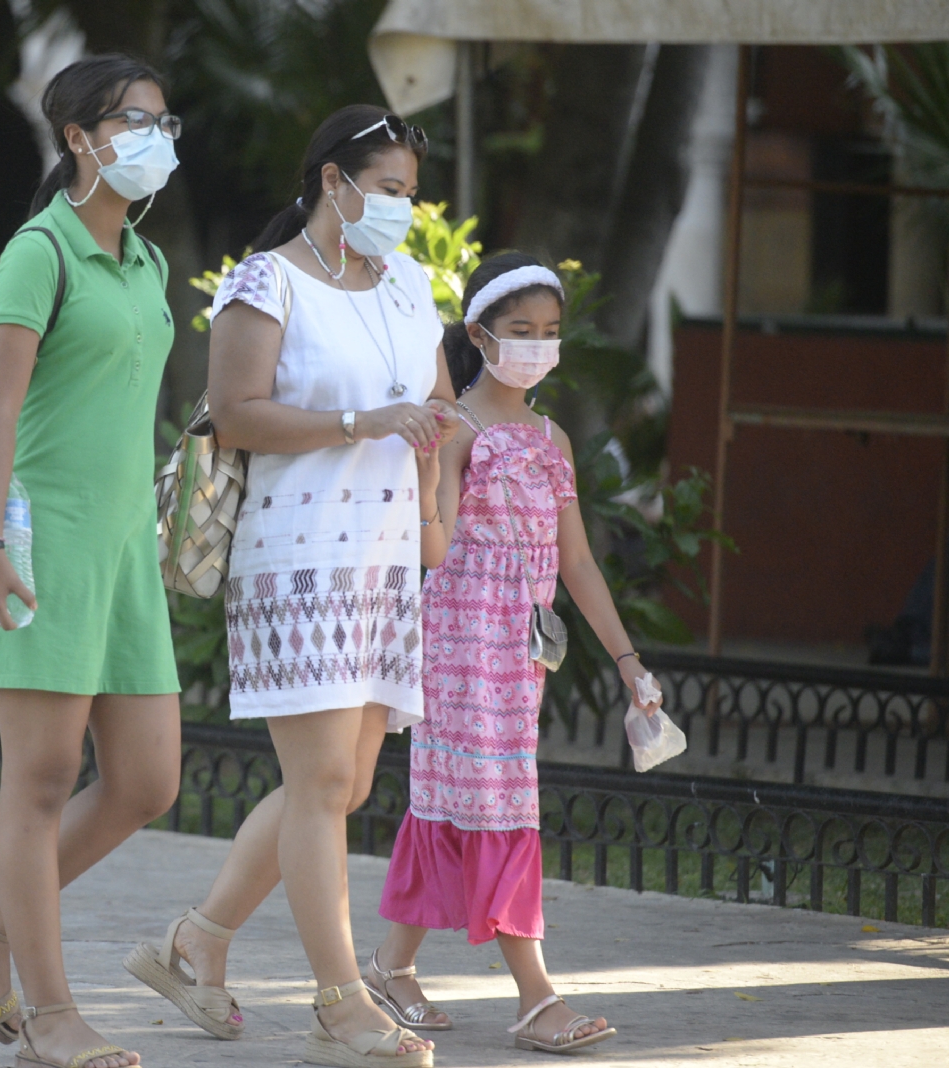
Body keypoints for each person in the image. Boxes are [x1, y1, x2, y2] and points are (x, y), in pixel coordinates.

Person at [127, 104, 456, 1068]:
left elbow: (435, 405)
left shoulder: (408, 284)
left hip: (385, 560)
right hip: (296, 559)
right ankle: (341, 1002)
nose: (401, 207)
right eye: (387, 189)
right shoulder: (265, 282)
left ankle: (199, 941)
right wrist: (359, 422)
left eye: (410, 192)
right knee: (319, 782)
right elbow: (234, 415)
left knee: (342, 784)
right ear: (332, 182)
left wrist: (433, 501)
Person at [0, 55, 187, 1068]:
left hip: (125, 551)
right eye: (136, 120)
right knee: (36, 783)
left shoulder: (150, 263)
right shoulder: (38, 252)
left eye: (165, 122)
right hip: (34, 539)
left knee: (147, 781)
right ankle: (49, 1018)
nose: (157, 138)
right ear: (80, 138)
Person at [367, 253, 662, 1055]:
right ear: (478, 334)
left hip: (520, 653)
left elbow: (578, 563)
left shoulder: (552, 436)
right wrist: (431, 463)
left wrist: (629, 663)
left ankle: (390, 968)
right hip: (461, 640)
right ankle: (536, 999)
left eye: (550, 333)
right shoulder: (456, 427)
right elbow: (438, 544)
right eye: (520, 331)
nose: (537, 345)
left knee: (460, 802)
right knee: (497, 804)